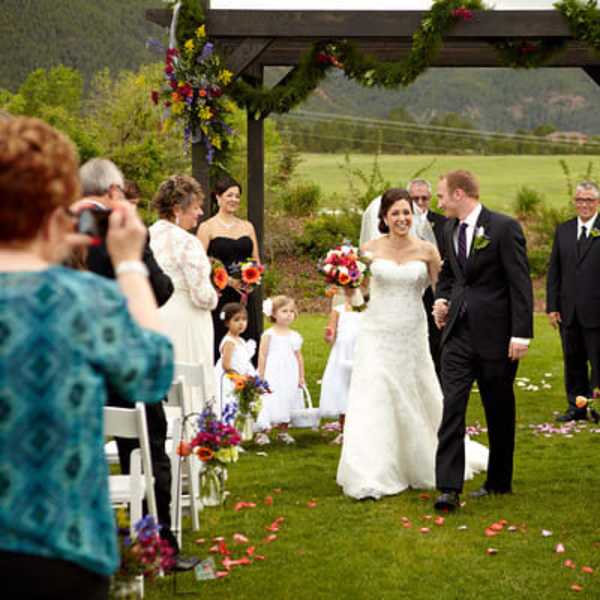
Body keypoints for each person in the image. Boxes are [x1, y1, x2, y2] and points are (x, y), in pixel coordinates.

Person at [0, 117, 174, 599]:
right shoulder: (82, 301)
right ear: (56, 205)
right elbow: (152, 371)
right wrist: (129, 263)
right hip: (62, 548)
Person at [337, 188, 488, 500]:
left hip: (412, 332)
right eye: (395, 213)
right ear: (384, 217)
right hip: (376, 331)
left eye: (406, 212)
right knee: (374, 394)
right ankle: (370, 471)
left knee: (415, 391)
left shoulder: (427, 250)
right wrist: (348, 287)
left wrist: (444, 308)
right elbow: (360, 298)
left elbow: (444, 287)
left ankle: (424, 459)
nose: (402, 218)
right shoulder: (369, 249)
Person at [78, 158, 189, 566]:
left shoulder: (57, 230)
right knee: (145, 448)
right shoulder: (122, 230)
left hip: (77, 364)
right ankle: (157, 544)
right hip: (124, 359)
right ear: (113, 191)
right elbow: (159, 288)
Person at [432, 170, 533, 512]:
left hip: (497, 337)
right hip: (457, 337)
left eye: (441, 195)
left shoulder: (503, 228)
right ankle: (448, 488)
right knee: (452, 408)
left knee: (499, 409)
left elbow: (520, 283)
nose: (439, 202)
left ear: (459, 194)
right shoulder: (448, 229)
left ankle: (499, 481)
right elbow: (449, 274)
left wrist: (521, 334)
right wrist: (442, 299)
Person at [149, 175, 218, 408]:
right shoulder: (188, 242)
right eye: (195, 207)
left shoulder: (147, 235)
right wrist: (214, 296)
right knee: (190, 379)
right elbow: (202, 296)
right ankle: (195, 425)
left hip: (155, 316)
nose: (200, 213)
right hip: (187, 319)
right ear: (177, 209)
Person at [547, 181, 600, 422]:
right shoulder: (564, 230)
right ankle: (577, 407)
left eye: (589, 200)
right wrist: (552, 306)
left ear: (597, 202)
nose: (584, 204)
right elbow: (554, 271)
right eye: (580, 200)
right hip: (568, 311)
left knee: (598, 363)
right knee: (573, 362)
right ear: (574, 202)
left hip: (596, 311)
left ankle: (596, 407)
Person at [197, 175, 261, 363]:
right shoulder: (207, 227)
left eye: (237, 196)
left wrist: (252, 280)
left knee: (247, 342)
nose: (234, 199)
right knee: (221, 342)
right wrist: (228, 281)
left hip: (244, 296)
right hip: (220, 295)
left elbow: (256, 261)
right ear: (218, 197)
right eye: (229, 195)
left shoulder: (247, 227)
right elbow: (199, 263)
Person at [408, 178, 447, 377]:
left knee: (435, 340)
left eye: (424, 198)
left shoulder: (443, 222)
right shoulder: (401, 222)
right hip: (409, 290)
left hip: (434, 291)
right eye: (415, 198)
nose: (420, 203)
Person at [256, 295, 305, 445]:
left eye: (291, 311)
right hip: (273, 372)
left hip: (289, 373)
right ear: (273, 313)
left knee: (287, 398)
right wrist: (261, 376)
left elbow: (299, 357)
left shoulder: (294, 336)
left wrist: (301, 376)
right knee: (270, 399)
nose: (289, 314)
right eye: (284, 311)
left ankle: (283, 431)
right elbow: (263, 355)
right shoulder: (269, 335)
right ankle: (263, 431)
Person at [319, 287, 364, 445]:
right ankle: (343, 430)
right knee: (342, 389)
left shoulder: (365, 309)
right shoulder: (338, 310)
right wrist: (329, 336)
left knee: (359, 389)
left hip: (360, 351)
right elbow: (331, 334)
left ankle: (360, 430)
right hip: (342, 353)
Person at [214, 302, 257, 414]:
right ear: (227, 323)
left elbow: (243, 360)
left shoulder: (240, 340)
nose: (241, 323)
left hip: (241, 374)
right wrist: (236, 379)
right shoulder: (229, 341)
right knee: (230, 402)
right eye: (236, 320)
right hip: (230, 377)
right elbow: (226, 365)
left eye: (244, 319)